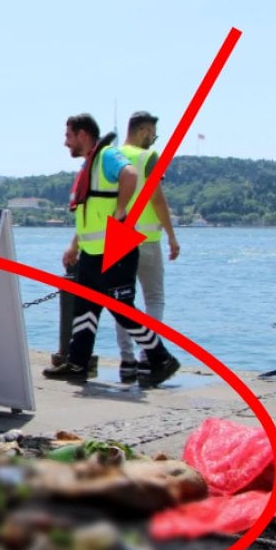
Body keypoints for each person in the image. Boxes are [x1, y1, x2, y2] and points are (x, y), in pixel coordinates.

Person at [42, 113, 180, 386]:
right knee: (85, 308)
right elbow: (88, 211)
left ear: (83, 135)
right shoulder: (89, 166)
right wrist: (74, 245)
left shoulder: (106, 156)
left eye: (68, 136)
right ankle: (78, 363)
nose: (65, 143)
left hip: (115, 248)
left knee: (120, 307)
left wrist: (120, 209)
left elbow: (129, 173)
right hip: (94, 252)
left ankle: (161, 358)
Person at [113, 111, 181, 381]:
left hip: (118, 235)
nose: (154, 139)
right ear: (142, 131)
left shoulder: (113, 156)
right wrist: (172, 236)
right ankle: (147, 357)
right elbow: (158, 200)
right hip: (147, 237)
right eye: (153, 133)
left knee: (122, 301)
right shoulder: (147, 157)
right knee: (154, 298)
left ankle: (126, 359)